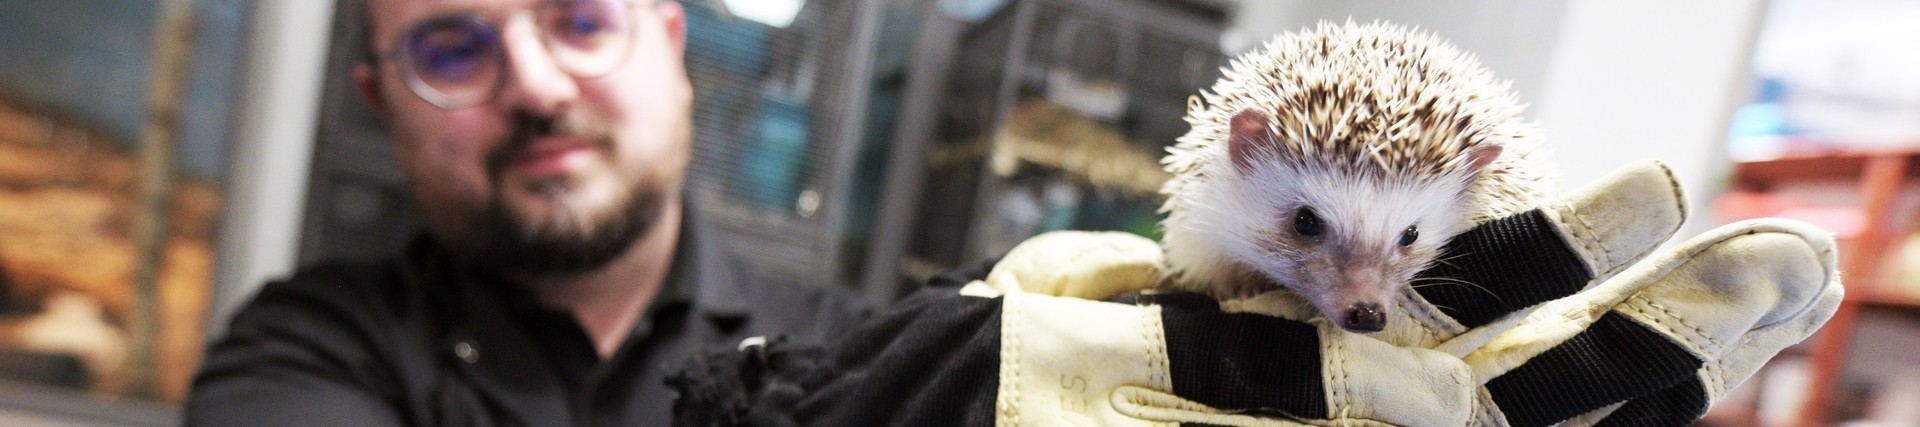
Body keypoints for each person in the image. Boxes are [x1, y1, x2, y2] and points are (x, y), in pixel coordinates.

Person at [186, 0, 868, 425]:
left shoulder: (856, 356)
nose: (538, 88)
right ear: (383, 101)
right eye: (451, 51)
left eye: (581, 21)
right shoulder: (304, 349)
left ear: (672, 46)